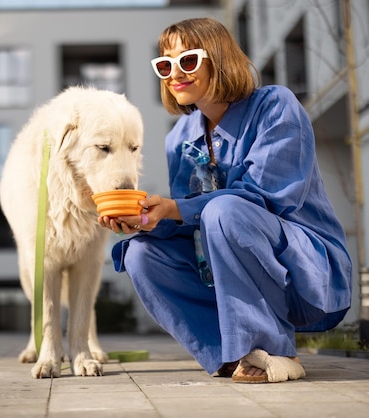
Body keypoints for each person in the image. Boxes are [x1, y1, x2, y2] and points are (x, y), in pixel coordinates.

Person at [98, 17, 353, 383]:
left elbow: (265, 199)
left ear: (217, 59)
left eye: (187, 61)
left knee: (225, 208)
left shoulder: (276, 107)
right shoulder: (179, 138)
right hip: (225, 276)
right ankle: (230, 354)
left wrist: (176, 208)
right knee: (140, 252)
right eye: (165, 64)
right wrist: (149, 220)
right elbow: (192, 227)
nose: (174, 73)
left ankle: (274, 351)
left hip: (306, 276)